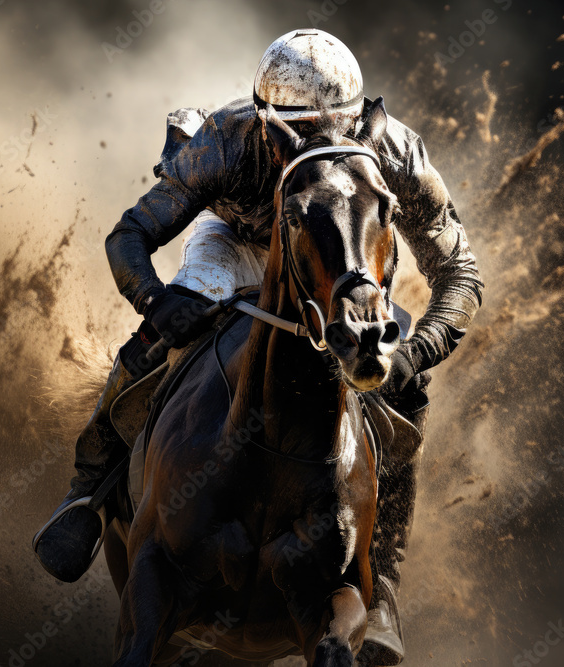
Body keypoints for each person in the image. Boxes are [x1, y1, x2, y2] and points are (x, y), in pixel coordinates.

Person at [33, 28, 483, 665]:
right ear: (269, 128)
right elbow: (130, 234)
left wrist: (419, 349)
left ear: (362, 122)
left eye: (342, 130)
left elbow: (460, 271)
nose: (328, 144)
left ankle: (380, 584)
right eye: (304, 133)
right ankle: (89, 488)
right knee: (160, 336)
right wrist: (158, 301)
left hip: (341, 255)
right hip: (238, 245)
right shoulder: (226, 140)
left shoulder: (395, 151)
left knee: (405, 387)